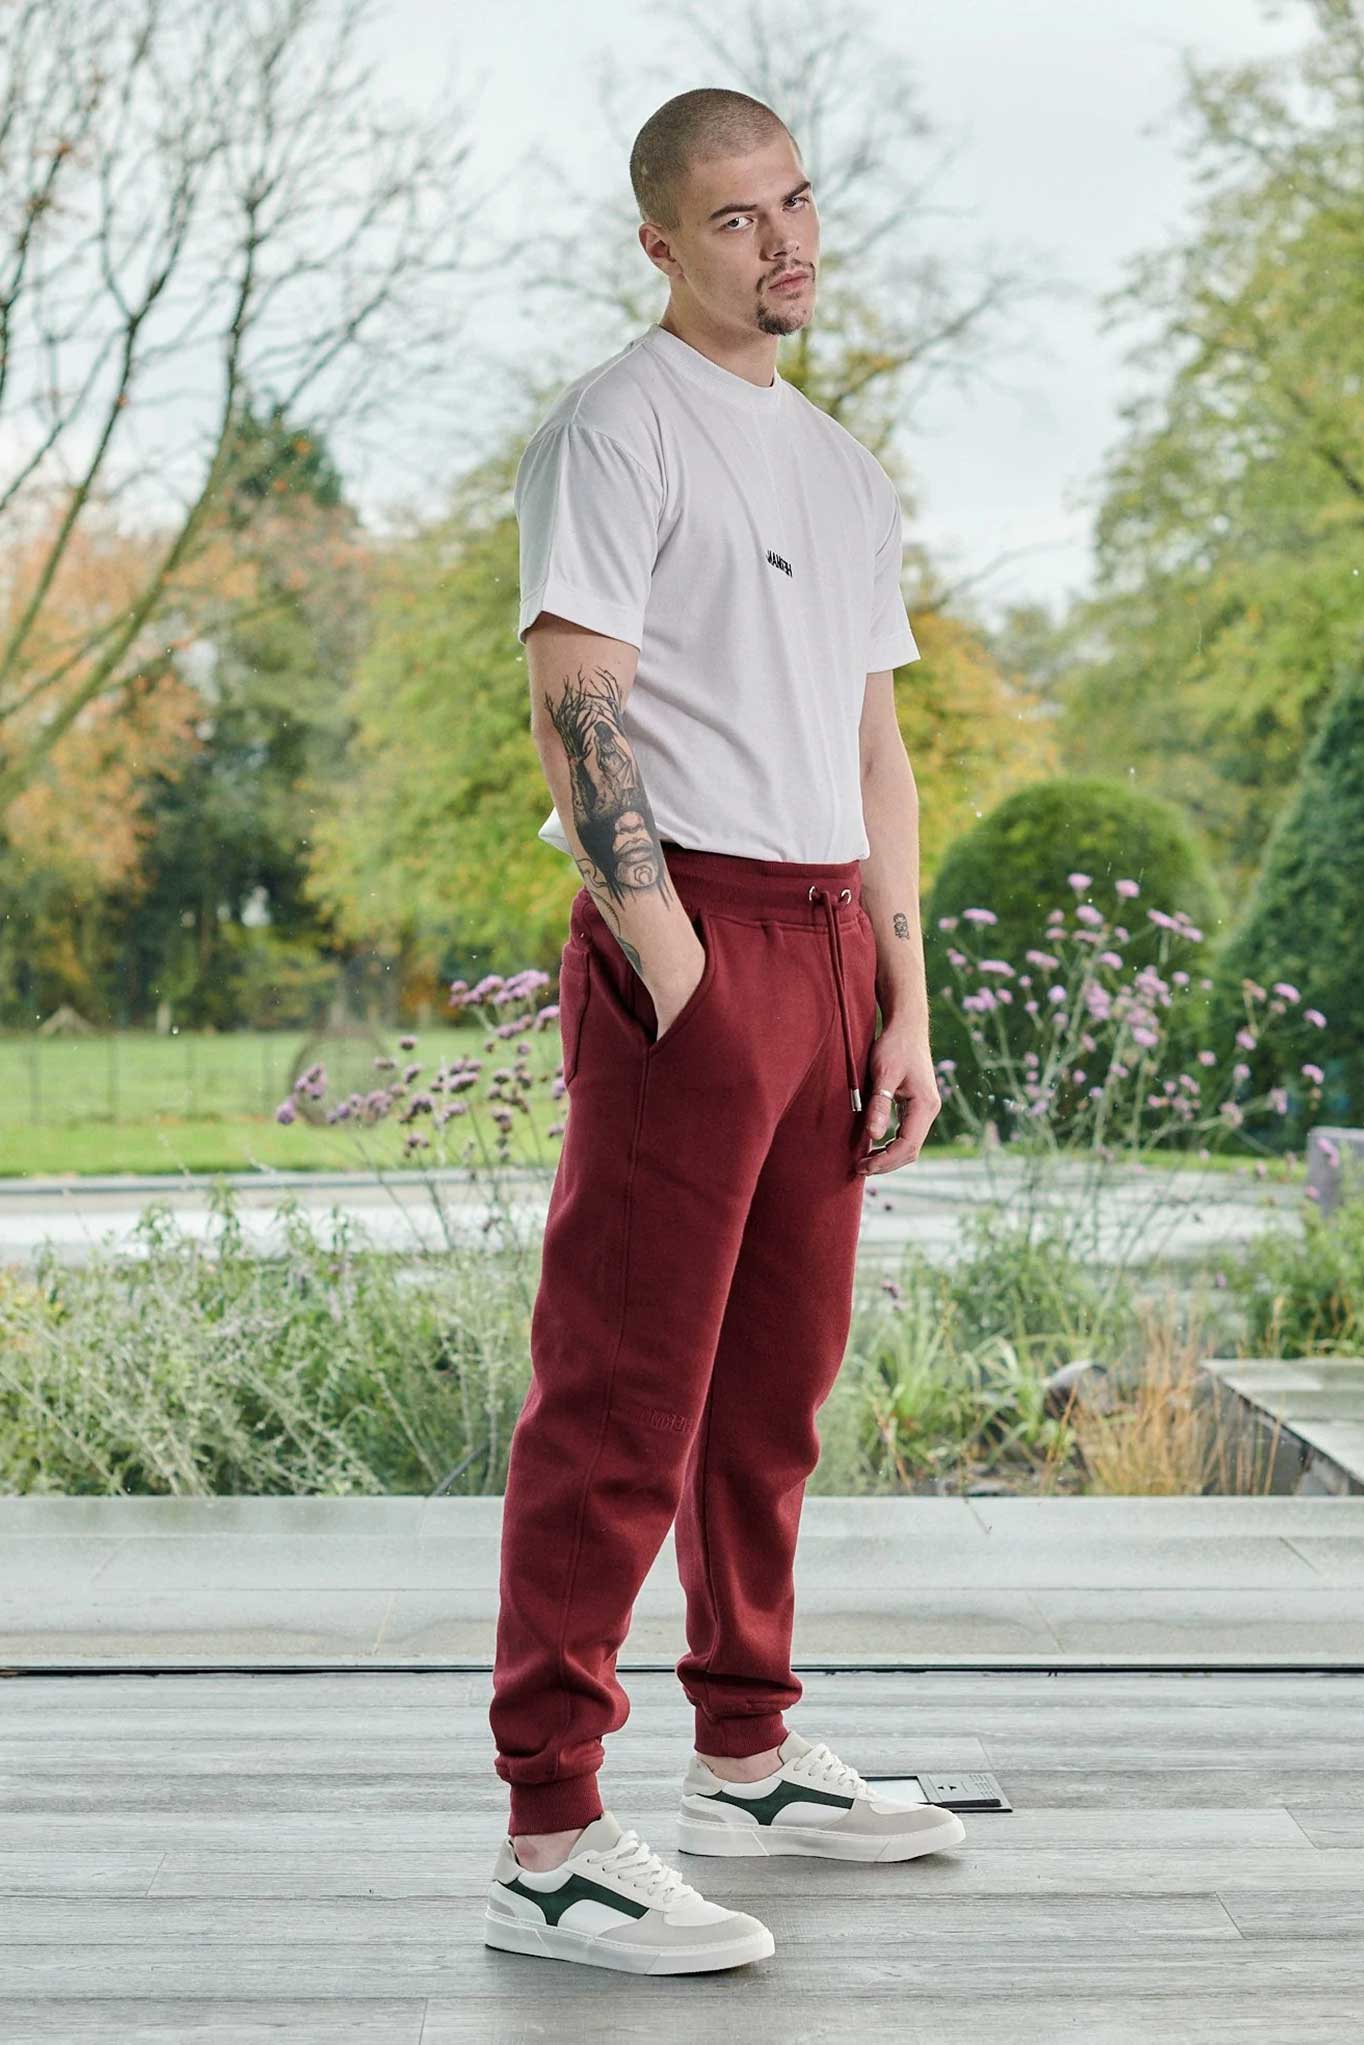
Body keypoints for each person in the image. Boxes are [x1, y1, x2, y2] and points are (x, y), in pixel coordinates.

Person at [484, 86, 962, 1977]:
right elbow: (574, 696)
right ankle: (550, 1836)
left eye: (796, 203)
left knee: (771, 1393)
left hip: (830, 939)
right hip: (688, 936)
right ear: (663, 245)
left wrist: (901, 994)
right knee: (620, 1397)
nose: (785, 242)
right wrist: (670, 961)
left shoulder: (842, 469)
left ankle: (747, 1752)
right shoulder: (612, 432)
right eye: (738, 216)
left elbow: (876, 749)